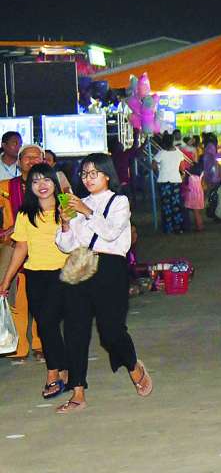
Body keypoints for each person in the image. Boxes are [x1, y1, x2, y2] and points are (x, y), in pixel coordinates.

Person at [53, 154, 152, 414]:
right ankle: (77, 392)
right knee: (74, 331)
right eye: (84, 174)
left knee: (111, 332)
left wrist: (86, 212)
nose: (88, 178)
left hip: (110, 268)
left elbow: (110, 232)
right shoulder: (78, 203)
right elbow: (66, 245)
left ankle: (133, 365)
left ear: (107, 175)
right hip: (80, 267)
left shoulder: (119, 201)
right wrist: (65, 223)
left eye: (93, 173)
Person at [0, 162, 70, 397]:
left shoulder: (65, 208)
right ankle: (62, 368)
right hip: (35, 276)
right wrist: (6, 281)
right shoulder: (25, 214)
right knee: (46, 325)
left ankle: (54, 372)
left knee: (49, 323)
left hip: (63, 274)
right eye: (36, 181)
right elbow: (21, 248)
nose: (42, 185)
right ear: (29, 186)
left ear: (55, 183)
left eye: (46, 179)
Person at [2, 144, 47, 360]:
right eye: (27, 157)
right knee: (17, 301)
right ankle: (18, 347)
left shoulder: (52, 186)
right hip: (15, 250)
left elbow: (68, 211)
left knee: (43, 303)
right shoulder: (5, 187)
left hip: (45, 251)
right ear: (19, 162)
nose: (31, 160)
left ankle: (41, 345)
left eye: (36, 157)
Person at [152, 136, 188, 234]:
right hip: (176, 180)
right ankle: (178, 228)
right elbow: (182, 168)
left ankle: (168, 228)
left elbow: (153, 165)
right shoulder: (178, 153)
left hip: (163, 181)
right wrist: (182, 176)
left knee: (166, 206)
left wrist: (158, 172)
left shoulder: (161, 153)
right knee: (176, 205)